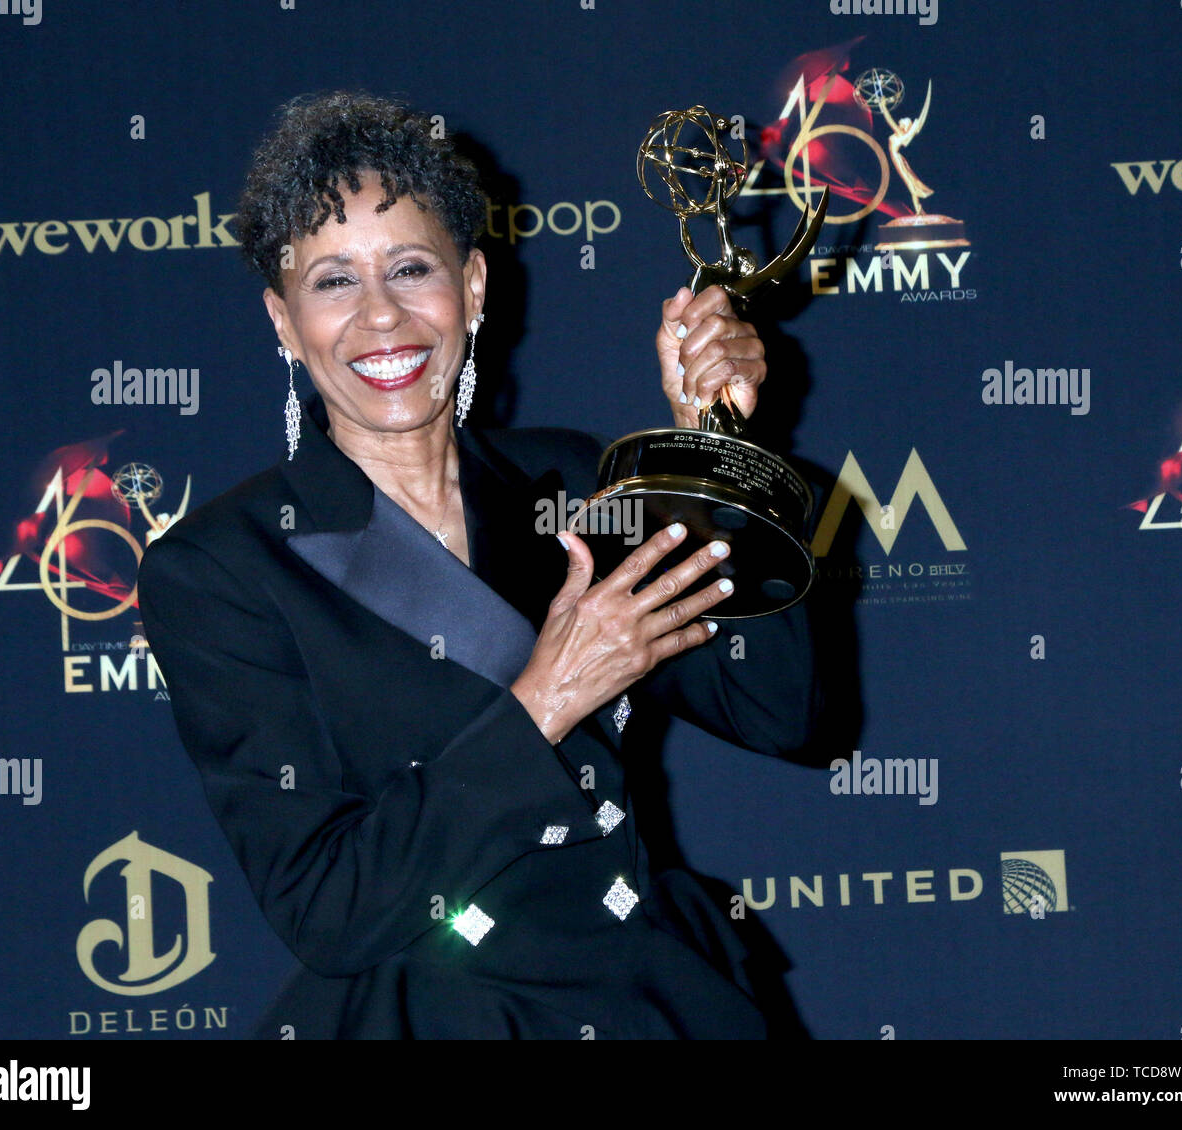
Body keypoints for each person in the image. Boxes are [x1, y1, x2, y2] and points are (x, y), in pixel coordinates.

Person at [138, 91, 815, 1039]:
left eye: (412, 269)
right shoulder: (221, 568)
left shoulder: (575, 480)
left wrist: (719, 451)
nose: (382, 317)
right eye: (332, 282)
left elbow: (778, 712)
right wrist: (547, 700)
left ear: (477, 287)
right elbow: (326, 908)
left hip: (638, 1001)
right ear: (283, 322)